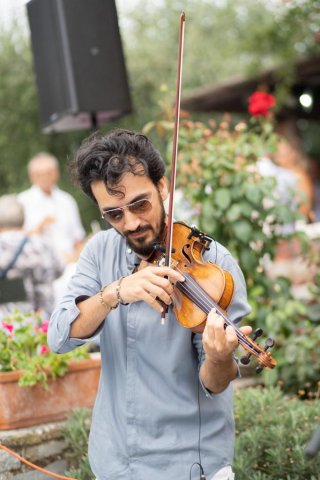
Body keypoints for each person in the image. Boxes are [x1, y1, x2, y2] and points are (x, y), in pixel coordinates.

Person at [48, 129, 251, 480]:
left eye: (140, 204)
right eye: (113, 214)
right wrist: (115, 292)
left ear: (162, 187)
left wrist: (219, 357)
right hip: (114, 462)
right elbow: (60, 336)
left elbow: (215, 383)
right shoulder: (100, 251)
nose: (131, 223)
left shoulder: (213, 264)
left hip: (187, 466)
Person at [0, 194, 63, 317]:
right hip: (43, 322)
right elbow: (60, 270)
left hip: (6, 326)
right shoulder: (42, 244)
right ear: (23, 219)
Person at [18, 152, 86, 265]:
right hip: (38, 268)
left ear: (56, 173)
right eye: (39, 174)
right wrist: (38, 228)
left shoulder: (67, 201)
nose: (44, 178)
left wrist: (77, 258)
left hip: (69, 267)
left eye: (48, 173)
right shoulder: (22, 202)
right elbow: (14, 240)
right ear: (31, 176)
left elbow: (78, 238)